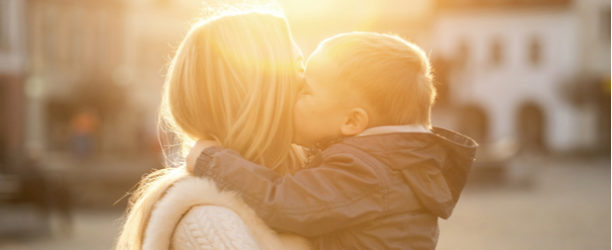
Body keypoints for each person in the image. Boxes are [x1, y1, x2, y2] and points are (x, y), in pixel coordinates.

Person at [189, 32, 479, 249]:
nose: (292, 92)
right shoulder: (395, 165)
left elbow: (283, 203)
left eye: (305, 90)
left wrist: (211, 159)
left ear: (352, 122)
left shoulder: (366, 172)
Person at [115, 10, 311, 250]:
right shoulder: (210, 224)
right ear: (259, 95)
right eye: (299, 69)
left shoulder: (305, 187)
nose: (309, 82)